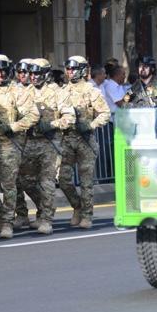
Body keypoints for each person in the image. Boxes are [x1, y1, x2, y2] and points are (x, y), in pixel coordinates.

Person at [0, 54, 38, 239]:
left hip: (9, 143)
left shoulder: (17, 91)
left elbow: (33, 115)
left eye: (4, 70)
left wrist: (13, 127)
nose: (1, 73)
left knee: (8, 185)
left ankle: (7, 223)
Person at [20, 58, 74, 234]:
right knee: (26, 181)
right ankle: (43, 208)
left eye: (38, 73)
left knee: (47, 181)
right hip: (30, 141)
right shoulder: (25, 92)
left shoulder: (57, 92)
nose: (34, 77)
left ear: (46, 74)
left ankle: (46, 219)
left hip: (50, 142)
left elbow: (69, 117)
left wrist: (52, 124)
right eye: (31, 73)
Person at [60, 56, 110, 229]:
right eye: (68, 69)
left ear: (81, 70)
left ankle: (87, 215)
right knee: (63, 179)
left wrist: (90, 125)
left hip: (86, 140)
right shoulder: (63, 91)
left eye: (73, 69)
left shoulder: (91, 91)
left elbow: (105, 113)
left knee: (86, 181)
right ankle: (77, 207)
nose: (69, 72)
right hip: (67, 139)